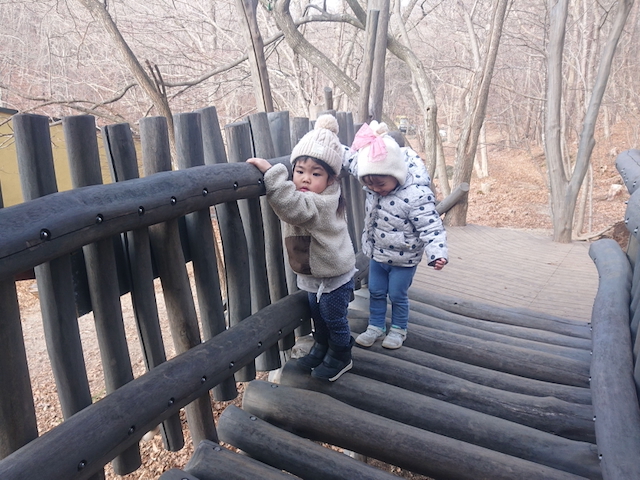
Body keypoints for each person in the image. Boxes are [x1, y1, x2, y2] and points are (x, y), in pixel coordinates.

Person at [247, 114, 356, 382]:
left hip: (334, 277)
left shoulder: (322, 202)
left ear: (331, 179)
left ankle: (342, 354)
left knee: (333, 317)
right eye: (299, 171)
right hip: (315, 273)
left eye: (316, 174)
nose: (306, 179)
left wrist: (272, 173)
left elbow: (293, 207)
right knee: (317, 315)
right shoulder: (313, 195)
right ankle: (322, 346)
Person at [344, 120, 448, 349]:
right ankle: (376, 326)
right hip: (378, 255)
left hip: (404, 259)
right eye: (369, 185)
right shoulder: (374, 174)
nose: (375, 189)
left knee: (397, 295)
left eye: (380, 184)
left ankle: (399, 329)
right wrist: (326, 143)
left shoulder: (415, 195)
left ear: (396, 174)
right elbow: (351, 160)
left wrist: (437, 253)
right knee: (376, 291)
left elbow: (431, 227)